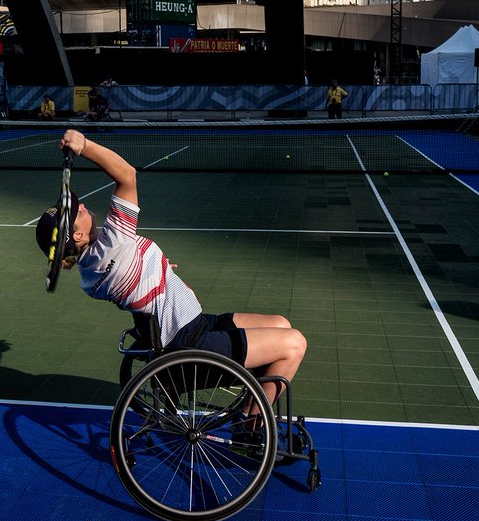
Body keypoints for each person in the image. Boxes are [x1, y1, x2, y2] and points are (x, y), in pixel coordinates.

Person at [35, 130, 306, 415]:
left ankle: (254, 400)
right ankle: (251, 423)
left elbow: (132, 277)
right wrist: (85, 145)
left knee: (280, 323)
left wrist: (159, 267)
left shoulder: (91, 273)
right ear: (77, 236)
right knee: (295, 343)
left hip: (187, 327)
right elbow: (127, 175)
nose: (84, 206)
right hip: (189, 342)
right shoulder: (115, 242)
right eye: (78, 211)